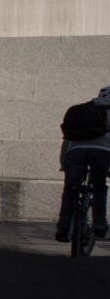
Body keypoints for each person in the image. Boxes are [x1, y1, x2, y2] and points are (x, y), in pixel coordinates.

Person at [56, 86, 110, 242]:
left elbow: (68, 139)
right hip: (102, 152)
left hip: (75, 152)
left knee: (71, 189)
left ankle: (63, 229)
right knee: (99, 186)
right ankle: (99, 224)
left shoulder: (83, 110)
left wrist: (64, 164)